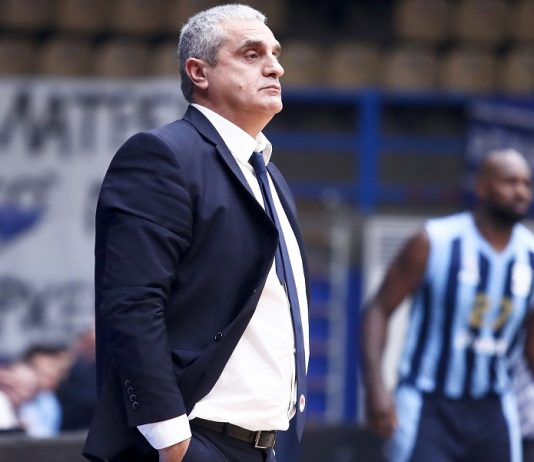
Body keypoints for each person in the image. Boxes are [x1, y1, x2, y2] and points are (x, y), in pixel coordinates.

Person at [83, 4, 310, 462]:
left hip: (260, 443)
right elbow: (132, 302)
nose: (275, 67)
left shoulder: (269, 175)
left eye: (275, 53)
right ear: (199, 72)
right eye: (252, 54)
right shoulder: (162, 155)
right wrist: (170, 438)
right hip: (191, 440)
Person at [361, 148, 534, 462]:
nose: (521, 192)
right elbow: (378, 310)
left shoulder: (530, 255)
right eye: (510, 182)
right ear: (482, 187)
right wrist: (375, 388)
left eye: (526, 184)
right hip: (428, 404)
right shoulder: (435, 242)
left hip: (495, 406)